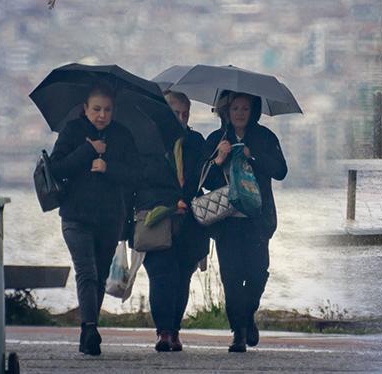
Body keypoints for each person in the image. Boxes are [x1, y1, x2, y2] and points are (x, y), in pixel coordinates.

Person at [49, 85, 139, 356]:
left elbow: (135, 174)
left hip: (110, 217)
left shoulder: (122, 135)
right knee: (86, 272)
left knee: (98, 275)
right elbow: (56, 168)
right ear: (85, 109)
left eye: (107, 110)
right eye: (96, 109)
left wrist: (107, 165)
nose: (101, 115)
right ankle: (89, 328)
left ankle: (89, 328)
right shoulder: (72, 132)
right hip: (75, 216)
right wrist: (87, 151)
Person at [202, 90, 287, 353]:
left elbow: (280, 171)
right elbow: (203, 180)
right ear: (226, 111)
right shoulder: (216, 139)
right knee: (231, 277)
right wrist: (218, 160)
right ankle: (238, 331)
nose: (240, 113)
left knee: (257, 273)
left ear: (253, 111)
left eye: (245, 108)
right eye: (235, 108)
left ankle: (248, 314)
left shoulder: (264, 137)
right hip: (227, 222)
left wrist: (252, 156)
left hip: (257, 220)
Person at [137, 91, 210, 352]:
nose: (180, 118)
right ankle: (164, 331)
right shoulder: (147, 142)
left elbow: (204, 178)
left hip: (189, 221)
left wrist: (218, 160)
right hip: (158, 218)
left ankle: (175, 329)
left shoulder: (195, 141)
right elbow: (142, 182)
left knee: (182, 278)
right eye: (175, 113)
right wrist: (169, 201)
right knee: (160, 275)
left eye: (185, 114)